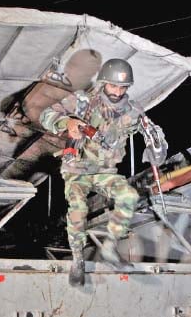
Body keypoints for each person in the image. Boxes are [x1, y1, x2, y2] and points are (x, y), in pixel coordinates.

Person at [40, 58, 167, 287]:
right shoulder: (83, 100)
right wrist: (67, 122)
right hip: (77, 169)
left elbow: (153, 134)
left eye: (122, 87)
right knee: (78, 208)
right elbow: (45, 116)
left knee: (129, 196)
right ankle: (78, 259)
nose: (117, 92)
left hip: (105, 171)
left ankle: (110, 248)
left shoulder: (133, 111)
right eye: (113, 86)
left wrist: (156, 144)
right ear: (103, 83)